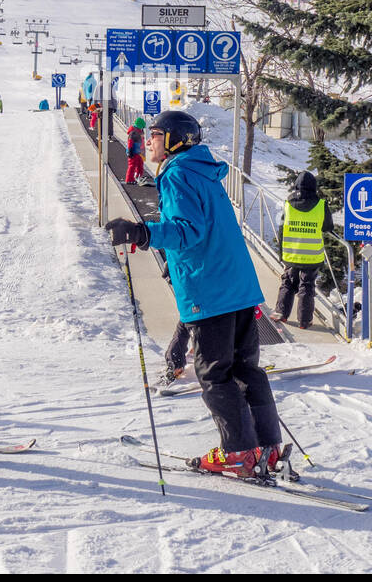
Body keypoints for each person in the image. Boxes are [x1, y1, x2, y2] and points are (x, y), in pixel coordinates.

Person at [104, 110, 284, 479]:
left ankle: (237, 453)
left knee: (215, 374)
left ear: (173, 140)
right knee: (245, 369)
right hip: (238, 287)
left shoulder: (178, 172)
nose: (148, 140)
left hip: (211, 290)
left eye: (155, 134)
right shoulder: (201, 170)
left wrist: (142, 233)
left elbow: (187, 230)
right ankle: (266, 446)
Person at [272, 170, 336, 329]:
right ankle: (304, 321)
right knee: (307, 286)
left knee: (287, 282)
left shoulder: (287, 204)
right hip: (311, 256)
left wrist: (282, 255)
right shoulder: (321, 205)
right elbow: (328, 226)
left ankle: (281, 312)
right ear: (314, 187)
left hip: (291, 253)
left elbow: (281, 230)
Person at [125, 117, 146, 183]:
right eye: (142, 127)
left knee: (140, 164)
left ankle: (138, 176)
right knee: (132, 166)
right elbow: (130, 142)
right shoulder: (133, 133)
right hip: (133, 152)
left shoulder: (139, 132)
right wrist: (130, 151)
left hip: (138, 152)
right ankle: (129, 179)